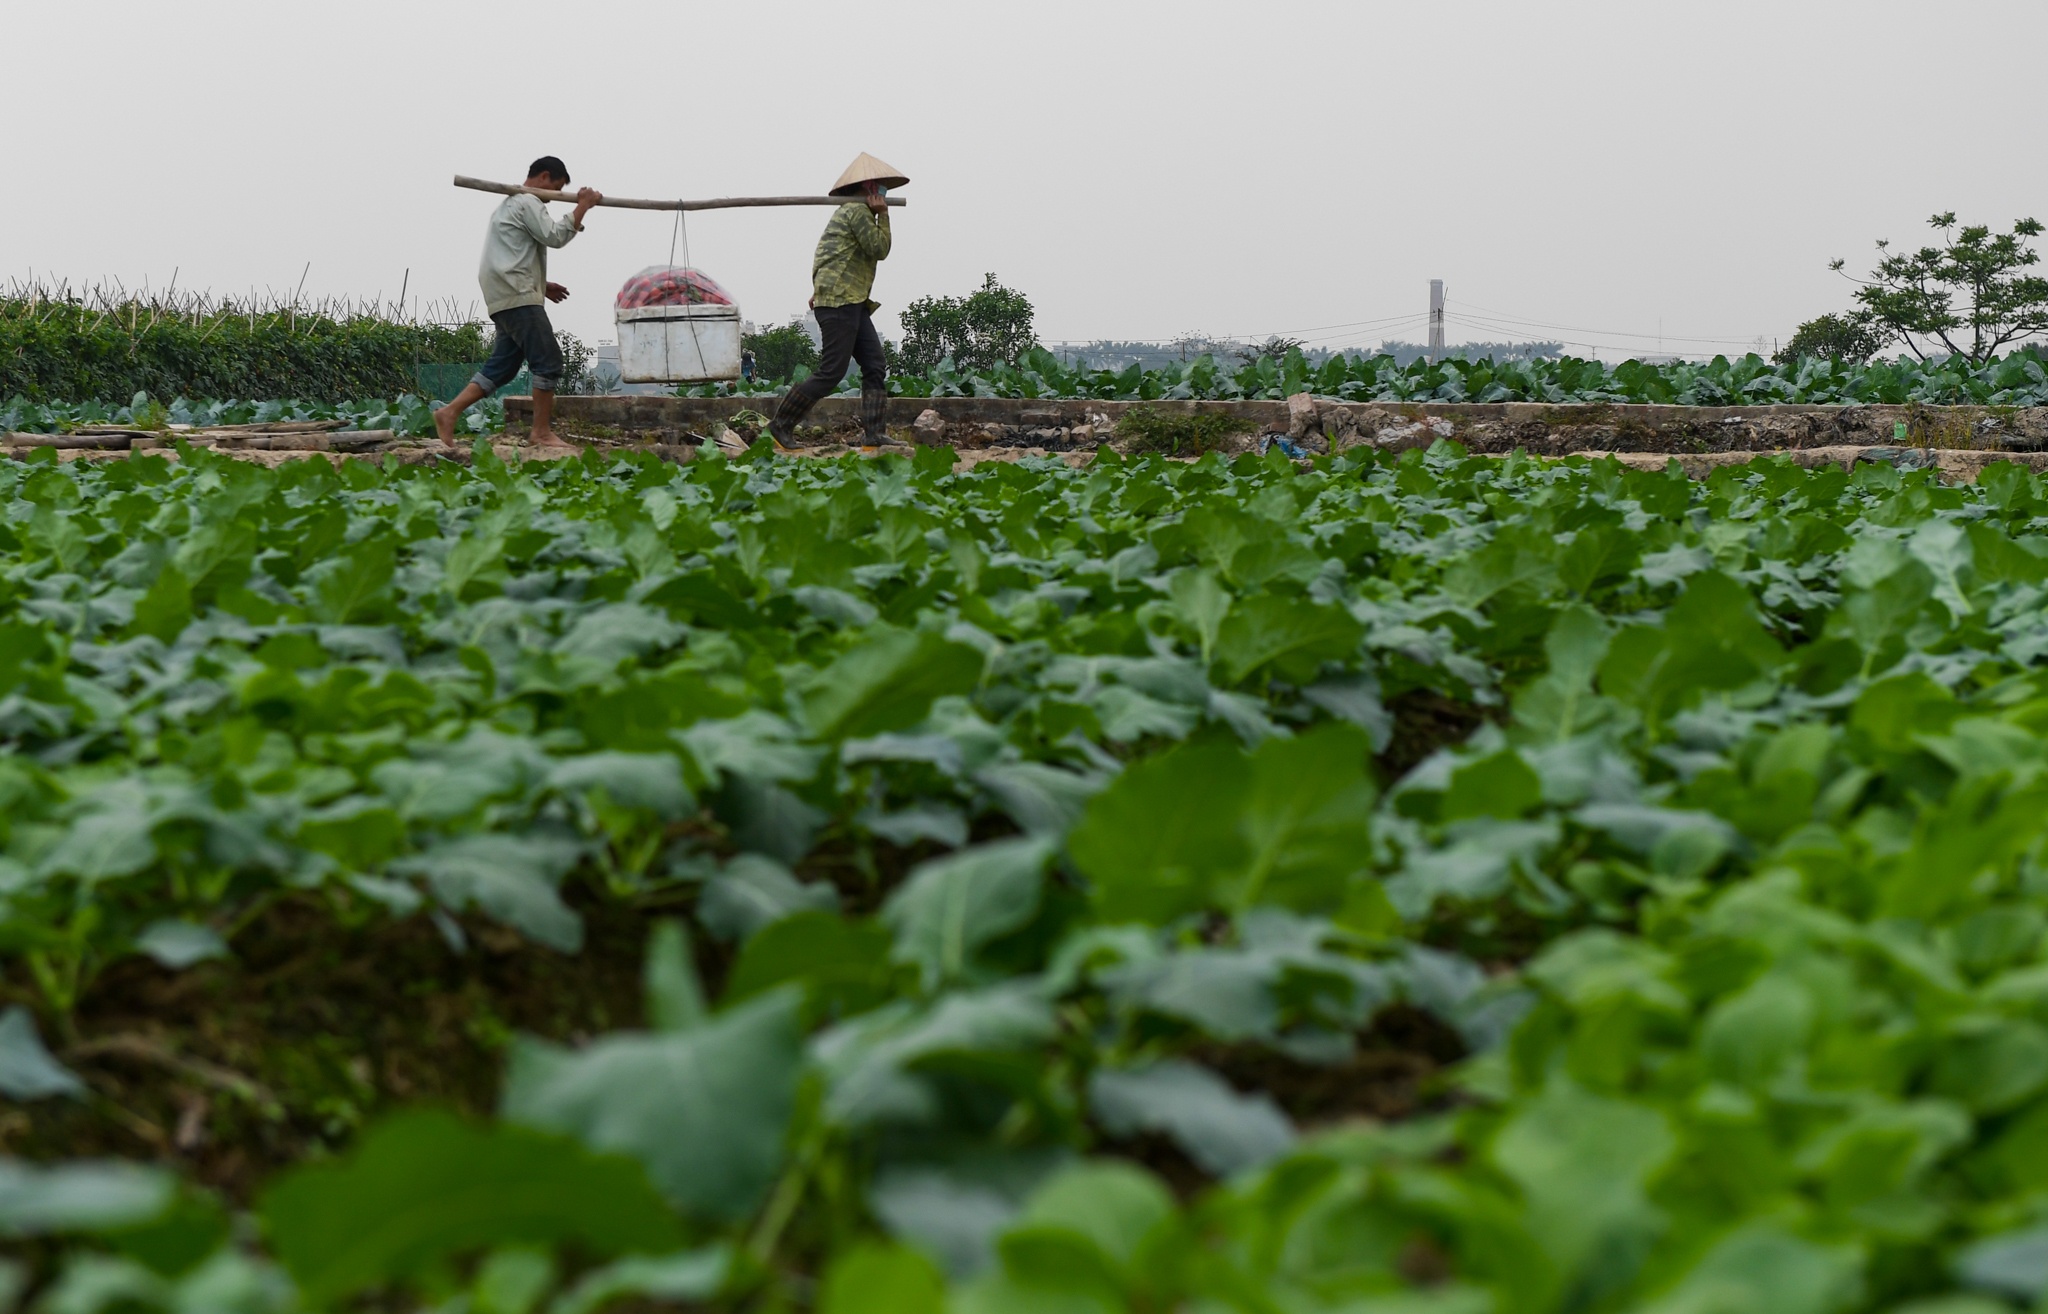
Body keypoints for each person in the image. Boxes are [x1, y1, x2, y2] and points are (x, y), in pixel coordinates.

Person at [435, 155, 602, 447]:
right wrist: (583, 205)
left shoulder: (509, 206)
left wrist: (542, 284)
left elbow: (515, 253)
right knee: (548, 360)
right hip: (516, 294)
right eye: (556, 188)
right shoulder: (526, 202)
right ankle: (541, 433)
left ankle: (449, 412)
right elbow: (554, 236)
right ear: (544, 177)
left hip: (505, 293)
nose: (551, 199)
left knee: (503, 366)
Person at [767, 153, 908, 447]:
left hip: (851, 301)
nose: (883, 193)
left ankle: (874, 433)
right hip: (841, 302)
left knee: (874, 364)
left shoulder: (848, 213)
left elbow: (831, 256)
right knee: (832, 371)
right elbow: (878, 248)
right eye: (879, 188)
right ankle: (781, 424)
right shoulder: (857, 213)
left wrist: (822, 287)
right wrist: (884, 213)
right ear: (870, 188)